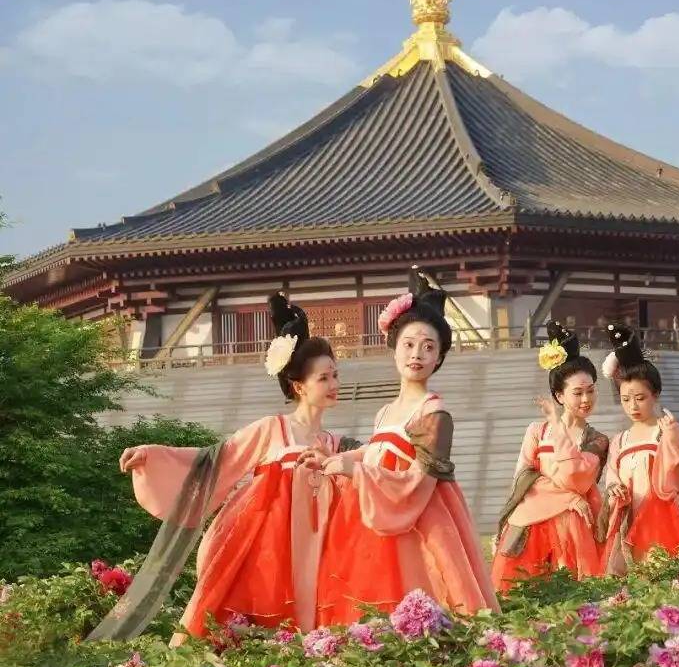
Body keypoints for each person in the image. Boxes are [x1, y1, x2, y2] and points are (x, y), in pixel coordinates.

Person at [93, 293, 342, 642]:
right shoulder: (272, 428)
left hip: (320, 547)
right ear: (299, 386)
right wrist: (151, 455)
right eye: (324, 378)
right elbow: (216, 459)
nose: (334, 385)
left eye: (335, 375)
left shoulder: (333, 442)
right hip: (268, 552)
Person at [315, 267, 499, 624]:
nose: (417, 354)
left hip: (420, 523)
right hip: (376, 517)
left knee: (423, 611)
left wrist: (356, 470)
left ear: (439, 358)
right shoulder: (385, 411)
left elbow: (418, 481)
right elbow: (377, 453)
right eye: (409, 344)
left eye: (429, 347)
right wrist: (334, 458)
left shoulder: (435, 413)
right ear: (394, 348)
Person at [490, 321, 609, 591]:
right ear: (559, 395)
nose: (586, 399)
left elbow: (576, 479)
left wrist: (557, 424)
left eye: (591, 390)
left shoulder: (598, 440)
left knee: (572, 598)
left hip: (574, 527)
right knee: (520, 596)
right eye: (577, 393)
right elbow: (522, 479)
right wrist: (569, 498)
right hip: (530, 522)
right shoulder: (537, 431)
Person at [597, 323, 679, 575]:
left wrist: (672, 440)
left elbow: (677, 478)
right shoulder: (620, 440)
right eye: (625, 399)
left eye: (640, 398)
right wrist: (615, 487)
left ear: (655, 394)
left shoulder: (667, 430)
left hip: (667, 515)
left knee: (671, 572)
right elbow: (612, 473)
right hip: (631, 515)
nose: (633, 406)